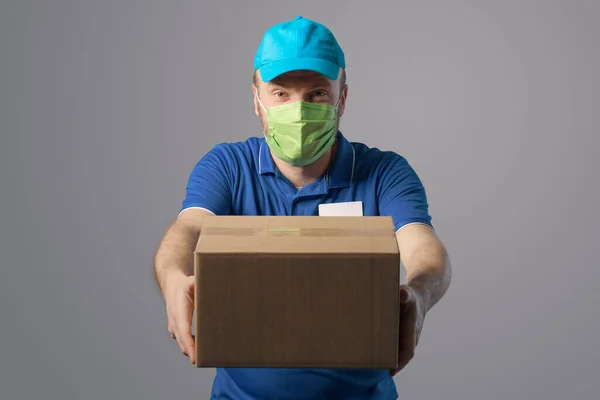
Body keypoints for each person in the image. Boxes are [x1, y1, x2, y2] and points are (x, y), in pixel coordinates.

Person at [153, 15, 452, 400]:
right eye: (281, 93)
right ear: (257, 100)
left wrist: (420, 294)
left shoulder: (383, 172)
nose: (298, 110)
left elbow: (422, 245)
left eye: (317, 94)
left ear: (341, 98)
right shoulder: (227, 166)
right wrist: (174, 276)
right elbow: (190, 228)